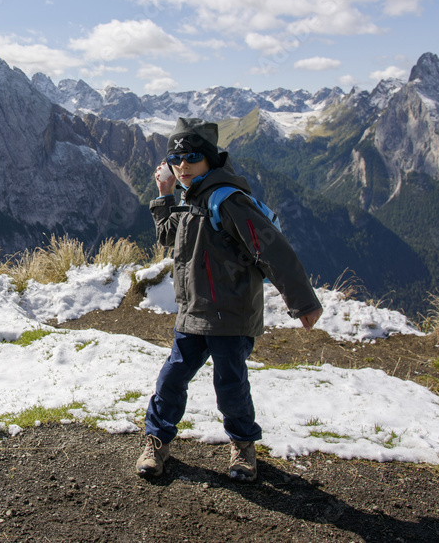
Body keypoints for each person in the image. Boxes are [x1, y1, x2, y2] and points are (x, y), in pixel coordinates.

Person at [136, 117, 323, 481]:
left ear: (210, 158)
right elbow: (168, 237)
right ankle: (156, 440)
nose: (183, 165)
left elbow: (271, 249)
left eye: (192, 157)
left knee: (230, 386)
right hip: (194, 313)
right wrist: (164, 193)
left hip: (232, 314)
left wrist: (303, 302)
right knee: (171, 379)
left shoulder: (228, 200)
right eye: (175, 159)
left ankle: (242, 446)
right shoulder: (191, 195)